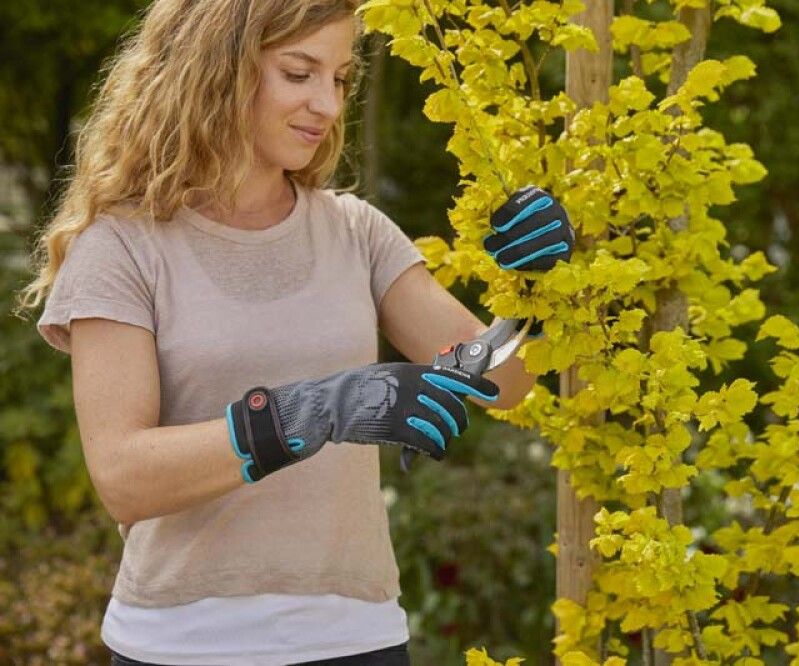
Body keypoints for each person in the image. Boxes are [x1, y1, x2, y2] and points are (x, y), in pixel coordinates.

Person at [17, 0, 575, 664]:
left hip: (357, 638)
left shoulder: (354, 232)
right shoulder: (124, 248)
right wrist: (309, 413)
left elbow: (500, 381)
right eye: (299, 73)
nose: (328, 105)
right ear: (217, 70)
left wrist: (535, 289)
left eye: (339, 79)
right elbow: (124, 477)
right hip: (183, 645)